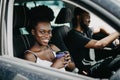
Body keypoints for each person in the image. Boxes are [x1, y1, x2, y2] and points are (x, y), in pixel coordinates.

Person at [66, 7, 120, 77]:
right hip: (87, 70)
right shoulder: (74, 35)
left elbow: (100, 27)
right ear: (78, 17)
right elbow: (99, 44)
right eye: (87, 17)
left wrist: (114, 37)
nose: (89, 20)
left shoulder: (86, 30)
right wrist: (118, 31)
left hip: (93, 64)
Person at [24, 5, 75, 71]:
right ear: (33, 32)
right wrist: (54, 66)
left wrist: (68, 62)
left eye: (49, 31)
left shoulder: (53, 47)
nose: (47, 35)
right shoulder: (30, 56)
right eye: (42, 32)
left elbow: (72, 67)